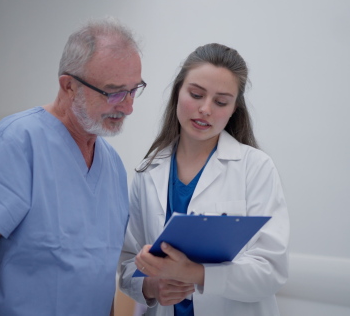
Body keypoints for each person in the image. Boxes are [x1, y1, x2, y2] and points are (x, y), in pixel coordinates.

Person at [0, 17, 146, 316]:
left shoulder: (112, 166)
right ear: (69, 86)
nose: (128, 107)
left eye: (133, 90)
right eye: (113, 92)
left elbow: (98, 278)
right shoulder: (16, 143)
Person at [118, 43, 289, 316]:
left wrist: (196, 274)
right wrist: (151, 286)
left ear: (234, 108)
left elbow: (270, 271)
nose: (205, 109)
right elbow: (127, 263)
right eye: (196, 94)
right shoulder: (148, 172)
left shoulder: (255, 168)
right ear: (178, 93)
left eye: (221, 102)